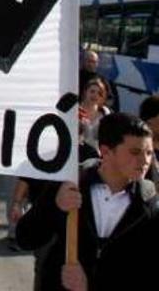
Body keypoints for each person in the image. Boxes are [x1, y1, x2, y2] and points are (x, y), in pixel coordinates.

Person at [16, 112, 158, 291]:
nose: (145, 161)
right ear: (106, 151)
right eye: (135, 152)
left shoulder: (150, 202)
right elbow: (25, 238)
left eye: (149, 153)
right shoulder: (70, 183)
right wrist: (55, 206)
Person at [79, 78, 110, 149]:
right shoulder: (76, 110)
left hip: (97, 155)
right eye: (92, 91)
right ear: (85, 92)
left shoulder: (105, 113)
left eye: (99, 93)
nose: (95, 95)